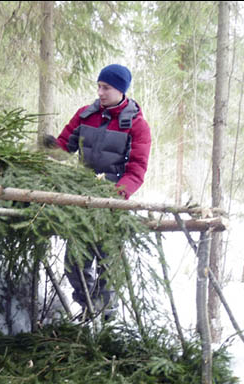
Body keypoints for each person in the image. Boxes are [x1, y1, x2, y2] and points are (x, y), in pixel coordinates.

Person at [43, 64, 151, 319]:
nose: (100, 93)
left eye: (106, 88)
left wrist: (116, 195)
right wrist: (48, 148)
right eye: (99, 87)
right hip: (81, 199)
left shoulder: (137, 126)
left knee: (107, 265)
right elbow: (64, 148)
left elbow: (137, 170)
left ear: (121, 90)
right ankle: (89, 307)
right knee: (74, 263)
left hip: (112, 202)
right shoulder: (85, 115)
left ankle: (106, 316)